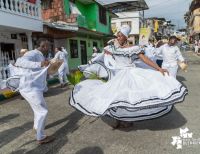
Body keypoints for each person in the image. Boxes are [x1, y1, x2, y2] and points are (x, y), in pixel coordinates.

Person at [69, 25, 188, 128]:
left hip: (130, 75)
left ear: (126, 37)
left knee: (129, 99)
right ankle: (118, 120)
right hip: (117, 76)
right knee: (115, 98)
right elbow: (100, 57)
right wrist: (88, 64)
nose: (118, 37)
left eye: (120, 35)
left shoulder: (133, 48)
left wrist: (159, 68)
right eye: (117, 35)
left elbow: (144, 59)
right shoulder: (111, 48)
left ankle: (128, 120)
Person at [14, 39, 54, 144]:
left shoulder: (41, 55)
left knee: (38, 110)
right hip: (30, 88)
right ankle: (41, 137)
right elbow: (19, 61)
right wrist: (40, 64)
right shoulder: (33, 53)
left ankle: (37, 127)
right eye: (49, 46)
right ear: (44, 46)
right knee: (42, 111)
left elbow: (42, 71)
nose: (50, 48)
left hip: (34, 88)